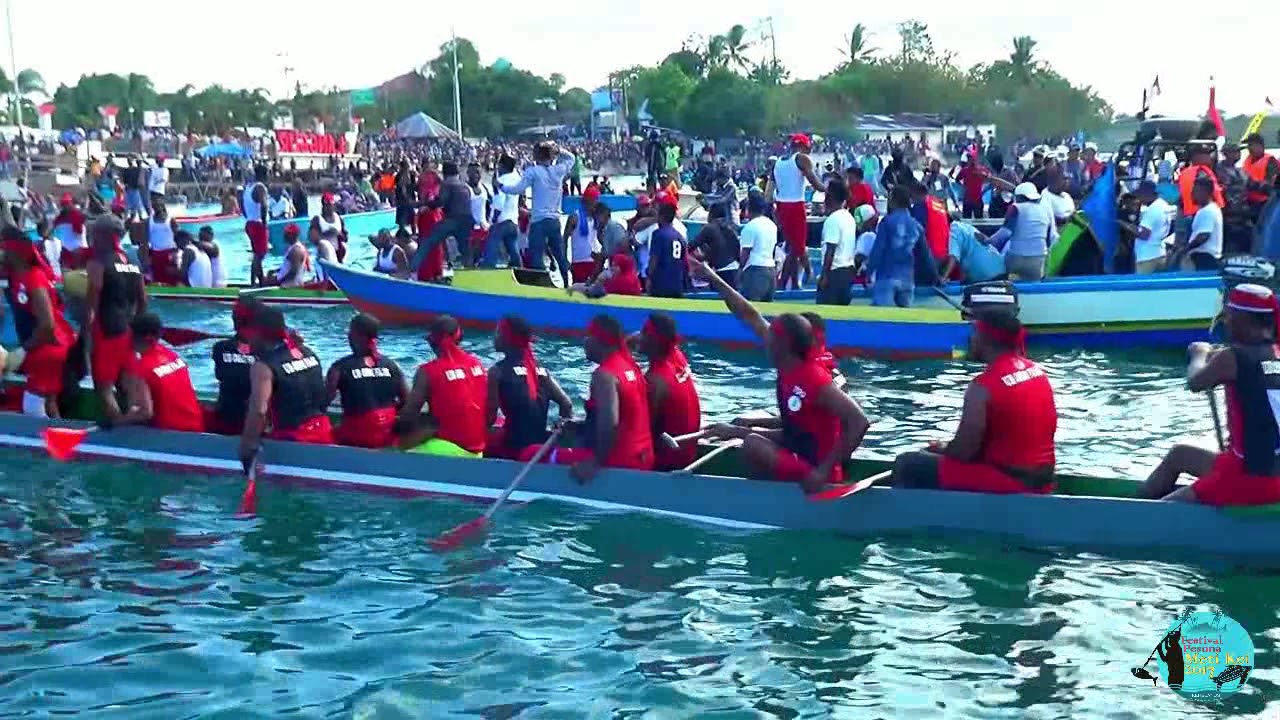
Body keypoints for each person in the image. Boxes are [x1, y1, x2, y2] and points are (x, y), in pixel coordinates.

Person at [691, 256, 870, 492]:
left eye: (772, 336)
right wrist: (712, 277)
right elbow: (748, 315)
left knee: (753, 444)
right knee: (751, 435)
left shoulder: (813, 378)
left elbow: (859, 421)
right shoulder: (791, 364)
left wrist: (822, 472)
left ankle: (770, 497)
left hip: (817, 472)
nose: (765, 339)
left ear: (783, 345)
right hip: (802, 454)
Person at [890, 295, 1058, 494]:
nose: (971, 339)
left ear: (986, 339)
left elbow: (964, 452)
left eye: (974, 333)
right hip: (1042, 479)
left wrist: (941, 449)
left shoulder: (982, 387)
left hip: (1010, 482)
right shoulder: (1037, 371)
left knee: (907, 464)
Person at [1140, 283, 1280, 505]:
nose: (1225, 322)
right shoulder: (1274, 353)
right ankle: (1133, 502)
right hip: (1260, 468)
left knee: (1165, 509)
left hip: (1251, 479)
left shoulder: (1232, 358)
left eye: (1229, 316)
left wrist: (1200, 353)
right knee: (1180, 454)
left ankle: (1134, 514)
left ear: (1243, 319)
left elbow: (1196, 382)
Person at [522, 314, 654, 480]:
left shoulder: (604, 376)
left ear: (599, 341)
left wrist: (594, 462)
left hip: (621, 461)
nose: (585, 342)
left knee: (530, 453)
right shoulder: (629, 365)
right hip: (644, 457)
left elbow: (610, 423)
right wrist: (579, 426)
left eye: (588, 336)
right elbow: (624, 418)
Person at [240, 304, 333, 468]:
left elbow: (259, 411)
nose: (248, 340)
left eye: (249, 334)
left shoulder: (263, 367)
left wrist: (247, 446)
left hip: (295, 440)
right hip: (325, 432)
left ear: (258, 333)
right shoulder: (308, 353)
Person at [2, 227, 73, 417]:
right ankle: (59, 433)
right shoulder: (17, 276)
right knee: (49, 404)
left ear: (16, 254)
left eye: (4, 250)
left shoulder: (34, 278)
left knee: (33, 406)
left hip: (48, 347)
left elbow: (47, 325)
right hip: (44, 345)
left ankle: (50, 436)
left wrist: (23, 350)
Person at [485, 315, 574, 460]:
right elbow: (567, 404)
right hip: (540, 448)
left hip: (513, 449)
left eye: (498, 332)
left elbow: (490, 418)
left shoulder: (496, 372)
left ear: (506, 339)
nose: (494, 337)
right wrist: (558, 431)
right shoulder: (541, 371)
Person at [84, 214, 147, 420]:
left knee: (103, 387)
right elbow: (143, 301)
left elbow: (91, 306)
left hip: (107, 330)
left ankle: (117, 427)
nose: (92, 238)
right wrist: (137, 329)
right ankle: (133, 427)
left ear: (104, 235)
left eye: (95, 233)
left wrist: (86, 337)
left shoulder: (98, 263)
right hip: (129, 330)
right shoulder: (133, 261)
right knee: (129, 385)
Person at [397, 315, 488, 457]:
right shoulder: (477, 363)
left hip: (449, 450)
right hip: (478, 451)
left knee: (398, 451)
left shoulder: (428, 371)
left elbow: (409, 415)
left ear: (432, 342)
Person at [108, 312, 204, 432]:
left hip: (171, 433)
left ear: (139, 337)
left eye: (129, 334)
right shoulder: (171, 355)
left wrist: (115, 422)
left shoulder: (142, 368)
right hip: (196, 426)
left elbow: (146, 413)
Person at [495, 142, 576, 285]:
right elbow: (571, 158)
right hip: (554, 221)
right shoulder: (558, 170)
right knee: (559, 255)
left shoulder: (533, 171)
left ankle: (541, 285)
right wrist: (557, 149)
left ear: (537, 156)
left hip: (538, 221)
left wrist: (501, 186)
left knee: (536, 256)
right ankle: (567, 283)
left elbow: (518, 189)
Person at [327, 313, 408, 449]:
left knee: (328, 434)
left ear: (360, 336)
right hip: (387, 434)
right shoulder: (391, 365)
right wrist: (385, 416)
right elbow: (407, 399)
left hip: (357, 435)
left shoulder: (339, 367)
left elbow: (325, 400)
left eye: (351, 332)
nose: (348, 335)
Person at [636, 312, 702, 471]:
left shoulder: (655, 381)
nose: (638, 337)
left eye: (643, 333)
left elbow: (643, 431)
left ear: (653, 341)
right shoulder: (677, 356)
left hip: (668, 462)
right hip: (688, 452)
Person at [769, 134, 824, 290]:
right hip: (795, 205)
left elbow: (770, 191)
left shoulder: (778, 162)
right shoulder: (801, 159)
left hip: (781, 206)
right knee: (798, 246)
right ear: (803, 146)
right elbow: (817, 185)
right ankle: (809, 272)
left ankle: (790, 283)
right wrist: (832, 189)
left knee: (792, 247)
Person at [867, 185, 936, 307]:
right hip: (907, 279)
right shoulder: (916, 225)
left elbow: (877, 250)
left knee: (882, 316)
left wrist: (869, 271)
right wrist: (936, 277)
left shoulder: (887, 222)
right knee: (905, 317)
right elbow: (926, 256)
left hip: (886, 277)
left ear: (893, 201)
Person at [206, 299, 260, 435]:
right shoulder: (268, 352)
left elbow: (220, 375)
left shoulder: (219, 347)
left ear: (234, 322)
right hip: (256, 425)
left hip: (225, 420)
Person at [987, 182, 1056, 281]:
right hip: (1038, 259)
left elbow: (1005, 233)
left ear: (1019, 197)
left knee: (999, 269)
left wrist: (988, 241)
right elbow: (1050, 238)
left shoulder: (1015, 207)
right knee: (1034, 283)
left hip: (1016, 257)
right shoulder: (1046, 210)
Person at [817, 180, 859, 306]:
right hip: (848, 271)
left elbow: (831, 249)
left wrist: (824, 276)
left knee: (825, 311)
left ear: (830, 197)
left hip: (834, 273)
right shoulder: (849, 217)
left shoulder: (833, 220)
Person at [1117, 181, 1173, 275]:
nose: (1139, 198)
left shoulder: (1152, 210)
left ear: (1147, 193)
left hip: (1147, 258)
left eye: (1140, 195)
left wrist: (1124, 224)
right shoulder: (1163, 205)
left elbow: (1143, 234)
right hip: (1160, 253)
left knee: (1141, 283)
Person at [1171, 177, 1224, 271]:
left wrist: (1185, 249)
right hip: (1205, 256)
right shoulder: (1212, 208)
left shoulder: (1207, 211)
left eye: (1195, 191)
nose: (1192, 194)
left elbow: (1203, 236)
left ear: (1205, 192)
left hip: (1204, 257)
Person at [738, 191, 779, 301]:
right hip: (771, 270)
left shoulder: (750, 227)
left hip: (755, 271)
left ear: (748, 208)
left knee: (750, 306)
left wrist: (740, 271)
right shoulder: (771, 225)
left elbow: (746, 252)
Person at [688, 205, 740, 289]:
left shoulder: (710, 228)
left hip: (722, 271)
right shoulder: (731, 226)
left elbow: (691, 246)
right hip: (735, 269)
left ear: (711, 214)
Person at [484, 154, 522, 268]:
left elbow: (499, 204)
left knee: (491, 250)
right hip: (514, 221)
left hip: (502, 221)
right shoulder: (517, 178)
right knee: (513, 250)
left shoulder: (501, 181)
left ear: (502, 166)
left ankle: (487, 271)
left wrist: (492, 221)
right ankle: (519, 270)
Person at [135, 200, 181, 285]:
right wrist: (145, 259)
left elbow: (178, 237)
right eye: (155, 205)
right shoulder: (148, 221)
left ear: (163, 206)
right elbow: (145, 241)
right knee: (157, 279)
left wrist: (177, 255)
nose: (157, 207)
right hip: (156, 254)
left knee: (172, 280)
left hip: (170, 253)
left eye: (159, 205)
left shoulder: (171, 220)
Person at [647, 202, 687, 298]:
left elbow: (654, 259)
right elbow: (684, 260)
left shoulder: (658, 234)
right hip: (677, 283)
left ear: (661, 217)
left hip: (661, 283)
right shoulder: (679, 236)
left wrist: (649, 277)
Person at [563, 185, 601, 283]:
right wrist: (565, 259)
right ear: (589, 200)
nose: (597, 202)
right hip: (579, 261)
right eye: (596, 199)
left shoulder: (597, 217)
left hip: (594, 260)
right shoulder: (574, 217)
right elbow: (564, 239)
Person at [242, 165, 269, 286]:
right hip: (258, 224)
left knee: (256, 254)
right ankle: (259, 283)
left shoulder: (248, 187)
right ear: (264, 175)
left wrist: (248, 217)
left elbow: (242, 206)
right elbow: (264, 205)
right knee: (260, 255)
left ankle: (255, 282)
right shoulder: (260, 188)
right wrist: (264, 223)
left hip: (249, 223)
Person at [1242, 132, 1279, 219]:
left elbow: (1271, 186)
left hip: (1264, 203)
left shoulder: (1270, 161)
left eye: (1251, 145)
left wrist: (1252, 183)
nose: (1249, 148)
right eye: (1248, 145)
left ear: (1260, 145)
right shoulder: (1248, 160)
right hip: (1249, 202)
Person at [51, 193, 89, 271]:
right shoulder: (73, 216)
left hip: (73, 250)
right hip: (73, 250)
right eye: (64, 204)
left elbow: (78, 231)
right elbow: (79, 231)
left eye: (67, 204)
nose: (66, 206)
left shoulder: (63, 218)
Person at [464, 162, 491, 266]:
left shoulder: (484, 187)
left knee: (480, 258)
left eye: (478, 172)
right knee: (470, 258)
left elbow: (489, 205)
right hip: (470, 229)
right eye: (473, 172)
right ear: (468, 173)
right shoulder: (465, 189)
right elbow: (463, 210)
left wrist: (487, 221)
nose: (476, 175)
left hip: (483, 228)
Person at [393, 159, 418, 233]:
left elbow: (414, 186)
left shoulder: (411, 175)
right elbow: (397, 188)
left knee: (411, 217)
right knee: (403, 218)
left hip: (408, 199)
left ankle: (411, 232)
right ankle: (403, 232)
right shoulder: (399, 176)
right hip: (402, 199)